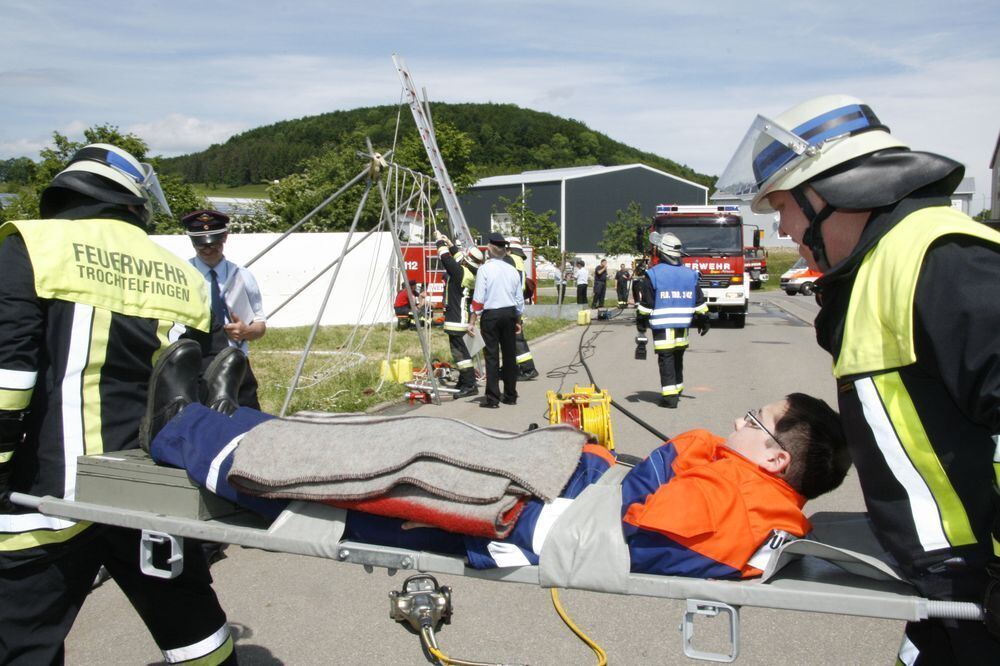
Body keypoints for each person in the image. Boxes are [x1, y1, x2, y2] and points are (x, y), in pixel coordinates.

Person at [715, 93, 1000, 663]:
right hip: (940, 583)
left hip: (979, 583)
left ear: (826, 193)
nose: (781, 229)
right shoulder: (881, 266)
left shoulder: (947, 261)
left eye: (783, 208)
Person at [143, 364, 849, 580]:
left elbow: (639, 530)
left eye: (751, 422)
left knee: (368, 467)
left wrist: (680, 451)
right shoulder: (749, 490)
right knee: (406, 433)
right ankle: (230, 419)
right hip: (555, 484)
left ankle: (183, 430)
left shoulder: (744, 505)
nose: (736, 425)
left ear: (776, 457)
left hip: (523, 513)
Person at [0, 144, 236, 664]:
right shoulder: (185, 274)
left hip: (46, 493)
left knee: (22, 640)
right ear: (133, 198)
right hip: (151, 488)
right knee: (195, 628)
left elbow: (8, 376)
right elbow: (224, 383)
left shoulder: (32, 246)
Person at [182, 209, 267, 410]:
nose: (207, 249)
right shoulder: (183, 276)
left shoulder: (243, 276)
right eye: (200, 244)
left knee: (247, 423)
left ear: (225, 237)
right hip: (195, 366)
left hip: (235, 363)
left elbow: (260, 324)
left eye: (213, 243)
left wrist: (247, 331)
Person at [636, 233, 710, 408]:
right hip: (683, 326)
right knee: (678, 357)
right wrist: (704, 320)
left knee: (666, 358)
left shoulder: (653, 274)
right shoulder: (690, 274)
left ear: (661, 251)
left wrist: (641, 322)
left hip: (663, 325)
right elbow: (699, 301)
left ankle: (670, 398)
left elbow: (647, 303)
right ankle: (677, 388)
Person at [468, 233, 524, 408]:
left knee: (492, 356)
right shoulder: (513, 270)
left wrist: (472, 320)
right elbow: (519, 299)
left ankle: (493, 398)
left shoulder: (485, 269)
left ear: (490, 250)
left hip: (491, 315)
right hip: (509, 314)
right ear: (504, 252)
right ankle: (510, 395)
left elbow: (478, 298)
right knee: (509, 355)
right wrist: (518, 320)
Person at [435, 232, 483, 398]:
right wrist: (450, 243)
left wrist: (439, 241)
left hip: (456, 320)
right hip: (460, 318)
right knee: (462, 352)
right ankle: (464, 381)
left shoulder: (460, 272)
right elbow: (457, 258)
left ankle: (469, 385)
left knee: (460, 355)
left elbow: (446, 258)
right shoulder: (468, 274)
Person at [504, 239, 539, 381]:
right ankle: (514, 367)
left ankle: (528, 369)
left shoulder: (510, 260)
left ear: (509, 250)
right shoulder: (519, 262)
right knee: (512, 339)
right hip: (515, 305)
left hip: (510, 305)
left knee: (516, 339)